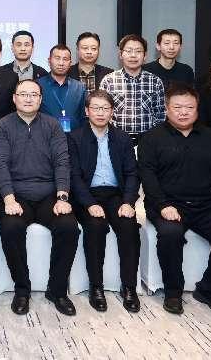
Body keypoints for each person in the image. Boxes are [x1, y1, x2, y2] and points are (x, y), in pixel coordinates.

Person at [137, 84, 211, 317]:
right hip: (167, 204)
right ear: (167, 109)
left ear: (197, 109)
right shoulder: (151, 138)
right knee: (170, 234)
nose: (183, 112)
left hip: (206, 205)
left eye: (189, 107)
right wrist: (163, 206)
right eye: (177, 107)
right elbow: (148, 176)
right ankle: (173, 292)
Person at [0, 79, 79, 316]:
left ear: (41, 99)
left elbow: (62, 162)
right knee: (10, 228)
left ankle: (57, 291)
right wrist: (8, 199)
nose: (28, 98)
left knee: (69, 227)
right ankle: (22, 289)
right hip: (16, 195)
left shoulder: (52, 125)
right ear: (14, 98)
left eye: (33, 95)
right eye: (23, 94)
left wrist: (62, 197)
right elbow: (0, 165)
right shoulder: (2, 126)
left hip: (49, 195)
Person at [68, 89, 140, 313]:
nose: (100, 113)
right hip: (87, 196)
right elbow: (74, 177)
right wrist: (89, 204)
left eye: (105, 108)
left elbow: (132, 173)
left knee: (129, 227)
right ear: (87, 111)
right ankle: (96, 287)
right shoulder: (75, 138)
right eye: (96, 108)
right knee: (96, 227)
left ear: (112, 112)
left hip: (116, 195)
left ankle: (129, 287)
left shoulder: (122, 138)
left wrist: (128, 202)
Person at [99, 34, 166, 143]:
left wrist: (154, 137)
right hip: (117, 140)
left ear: (145, 56)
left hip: (148, 140)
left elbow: (161, 115)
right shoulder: (109, 80)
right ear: (121, 54)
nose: (133, 55)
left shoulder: (155, 81)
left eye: (138, 51)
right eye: (129, 51)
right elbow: (102, 112)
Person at [38, 44, 87, 133]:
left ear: (70, 63)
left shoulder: (79, 87)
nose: (61, 63)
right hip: (45, 138)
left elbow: (84, 117)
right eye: (57, 58)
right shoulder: (38, 85)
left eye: (65, 59)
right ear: (49, 61)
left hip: (74, 138)